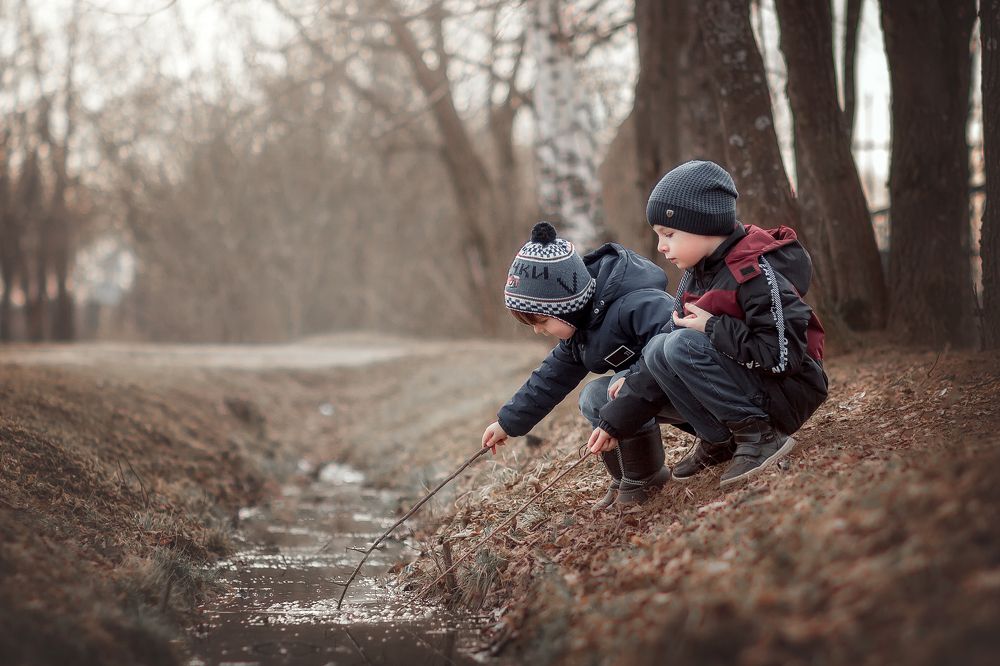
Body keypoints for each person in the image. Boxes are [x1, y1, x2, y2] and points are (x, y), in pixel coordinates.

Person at [589, 160, 828, 488]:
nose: (661, 246)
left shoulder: (754, 274)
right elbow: (667, 333)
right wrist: (619, 409)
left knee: (679, 343)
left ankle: (760, 437)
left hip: (789, 393)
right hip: (753, 386)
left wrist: (712, 327)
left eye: (669, 234)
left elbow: (782, 357)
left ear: (704, 225)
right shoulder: (697, 273)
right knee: (662, 345)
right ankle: (720, 441)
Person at [481, 221, 682, 508]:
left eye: (542, 321)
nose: (539, 330)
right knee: (593, 397)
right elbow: (549, 379)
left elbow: (674, 337)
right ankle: (632, 476)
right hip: (647, 392)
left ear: (567, 305)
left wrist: (634, 376)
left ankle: (647, 478)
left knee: (616, 389)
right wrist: (507, 423)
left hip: (697, 396)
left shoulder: (634, 303)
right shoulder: (582, 329)